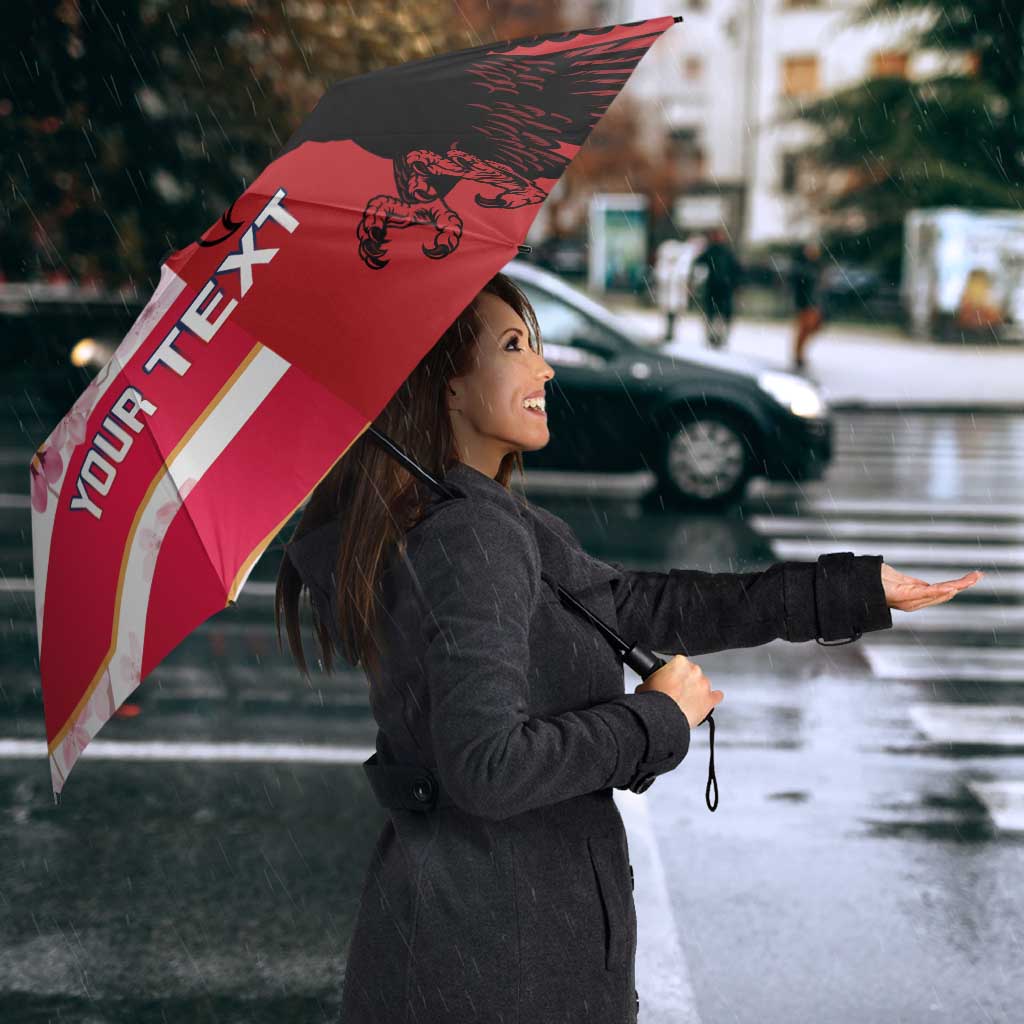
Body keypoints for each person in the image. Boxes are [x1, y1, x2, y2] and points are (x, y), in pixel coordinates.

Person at [276, 272, 981, 1024]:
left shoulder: (480, 520)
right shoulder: (469, 537)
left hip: (481, 943)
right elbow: (487, 767)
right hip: (496, 962)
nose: (544, 368)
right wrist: (655, 719)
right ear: (446, 388)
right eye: (514, 346)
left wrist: (849, 590)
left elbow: (644, 605)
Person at [692, 226, 742, 349]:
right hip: (715, 288)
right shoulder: (712, 251)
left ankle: (719, 337)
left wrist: (735, 284)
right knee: (713, 314)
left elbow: (736, 270)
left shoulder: (725, 252)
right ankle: (713, 337)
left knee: (720, 315)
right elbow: (698, 264)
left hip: (723, 288)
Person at [790, 239, 826, 370]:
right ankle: (798, 355)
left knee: (812, 328)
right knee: (804, 329)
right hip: (805, 303)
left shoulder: (817, 266)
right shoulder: (802, 267)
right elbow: (799, 286)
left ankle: (799, 354)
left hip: (814, 303)